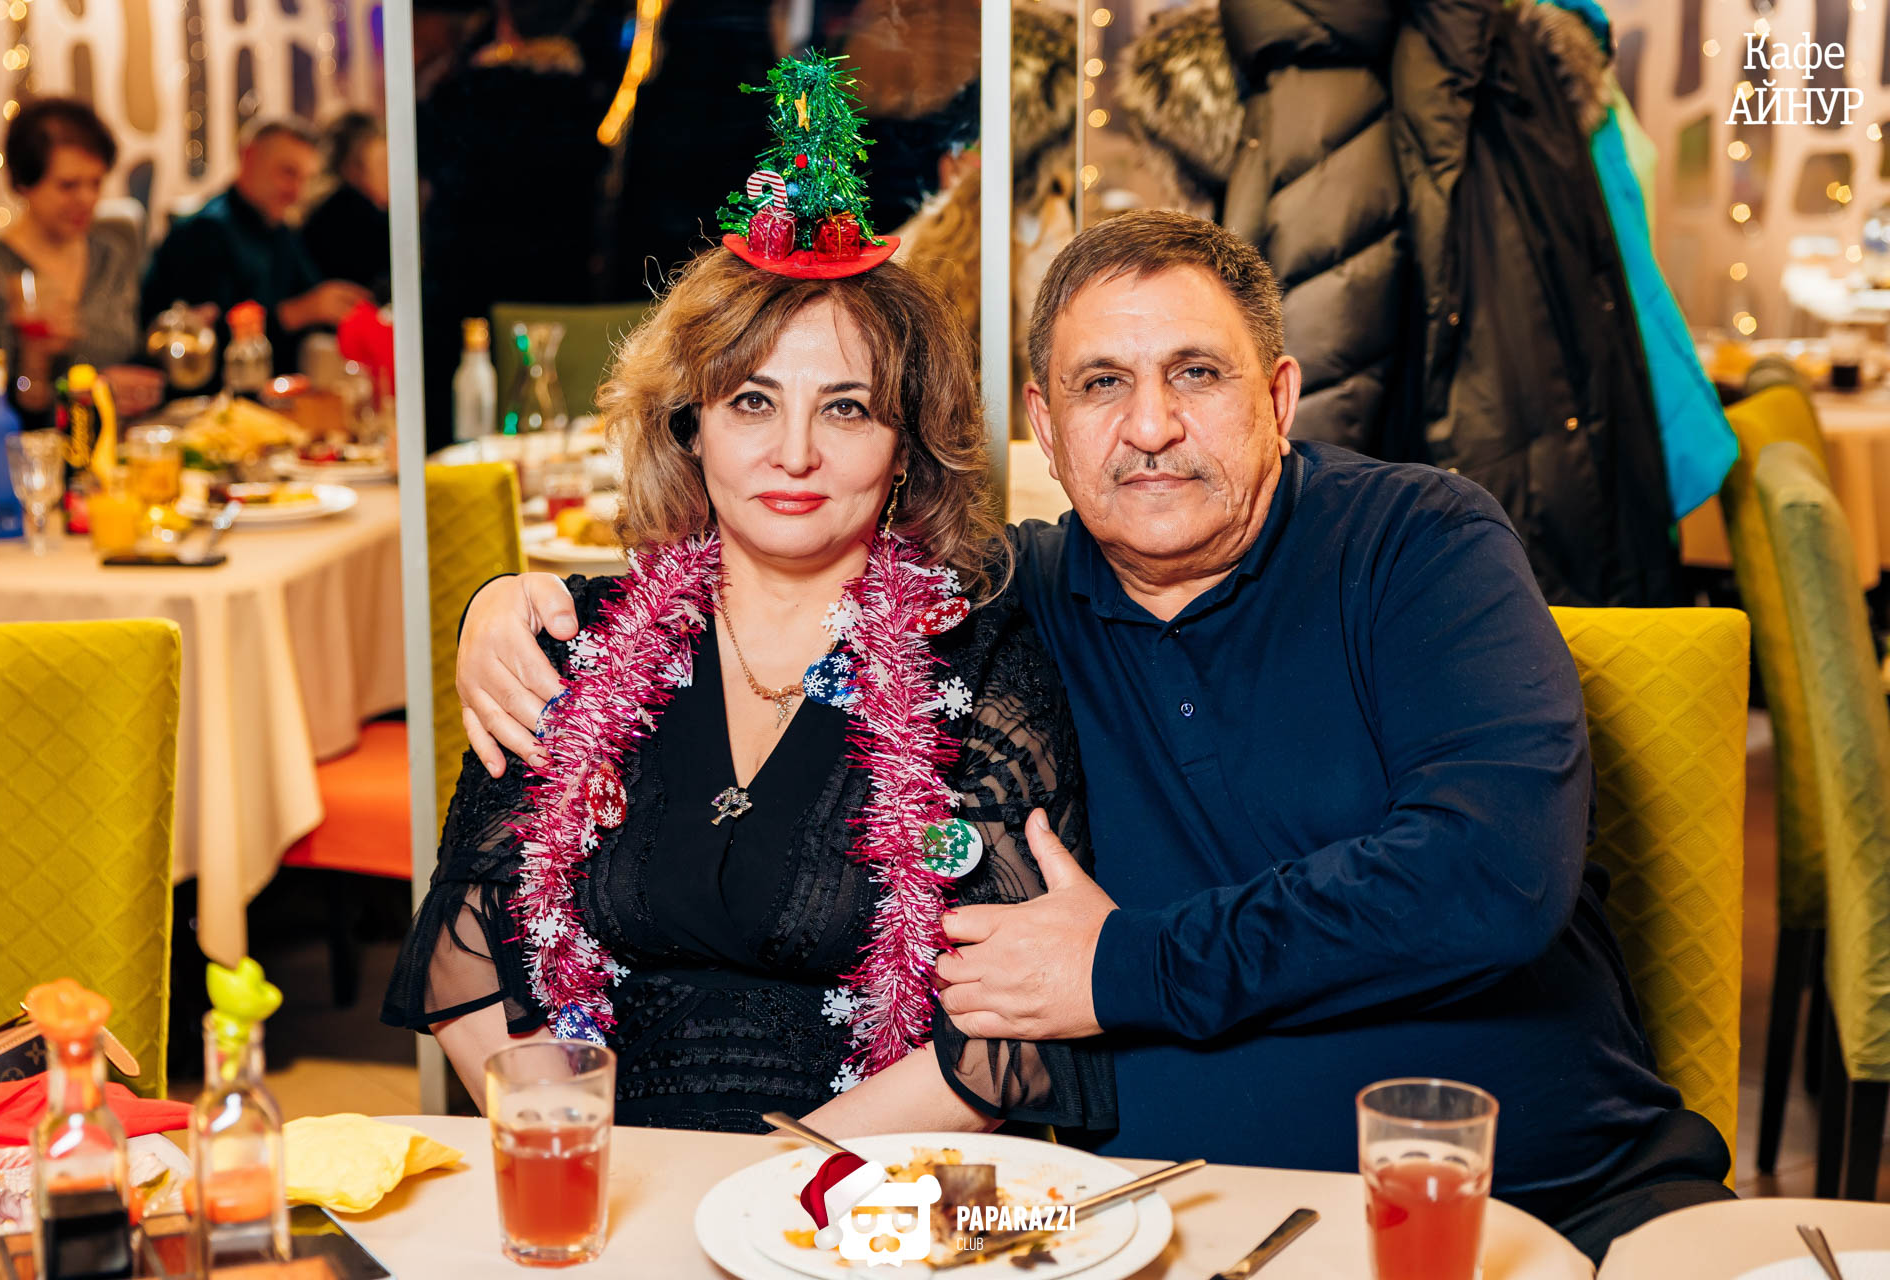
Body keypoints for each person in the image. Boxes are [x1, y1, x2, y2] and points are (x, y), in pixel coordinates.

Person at [452, 210, 1734, 1262]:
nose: (1151, 425)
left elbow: (1490, 875)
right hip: (1144, 1222)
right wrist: (508, 606)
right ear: (1045, 428)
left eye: (1197, 374)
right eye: (1101, 385)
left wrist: (1121, 965)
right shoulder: (1002, 607)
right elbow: (785, 571)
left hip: (1532, 1198)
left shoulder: (1419, 544)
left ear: (1280, 395)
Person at [383, 238, 1115, 1140]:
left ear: (906, 448)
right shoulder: (575, 647)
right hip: (603, 1164)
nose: (794, 454)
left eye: (846, 409)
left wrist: (770, 1184)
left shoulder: (980, 665)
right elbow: (473, 957)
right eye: (752, 401)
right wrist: (574, 1150)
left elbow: (1009, 1022)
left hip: (859, 1179)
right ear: (690, 425)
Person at [140, 117, 369, 377]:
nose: (297, 193)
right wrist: (300, 312)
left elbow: (313, 295)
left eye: (305, 179)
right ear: (248, 157)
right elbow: (204, 345)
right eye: (288, 173)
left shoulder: (281, 231)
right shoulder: (203, 232)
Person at [0, 98, 145, 422]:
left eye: (96, 183)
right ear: (24, 184)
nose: (87, 199)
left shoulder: (112, 257)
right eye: (68, 186)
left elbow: (135, 351)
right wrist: (88, 389)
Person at [302, 111, 390, 302]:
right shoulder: (351, 213)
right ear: (352, 167)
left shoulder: (324, 208)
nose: (391, 174)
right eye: (383, 164)